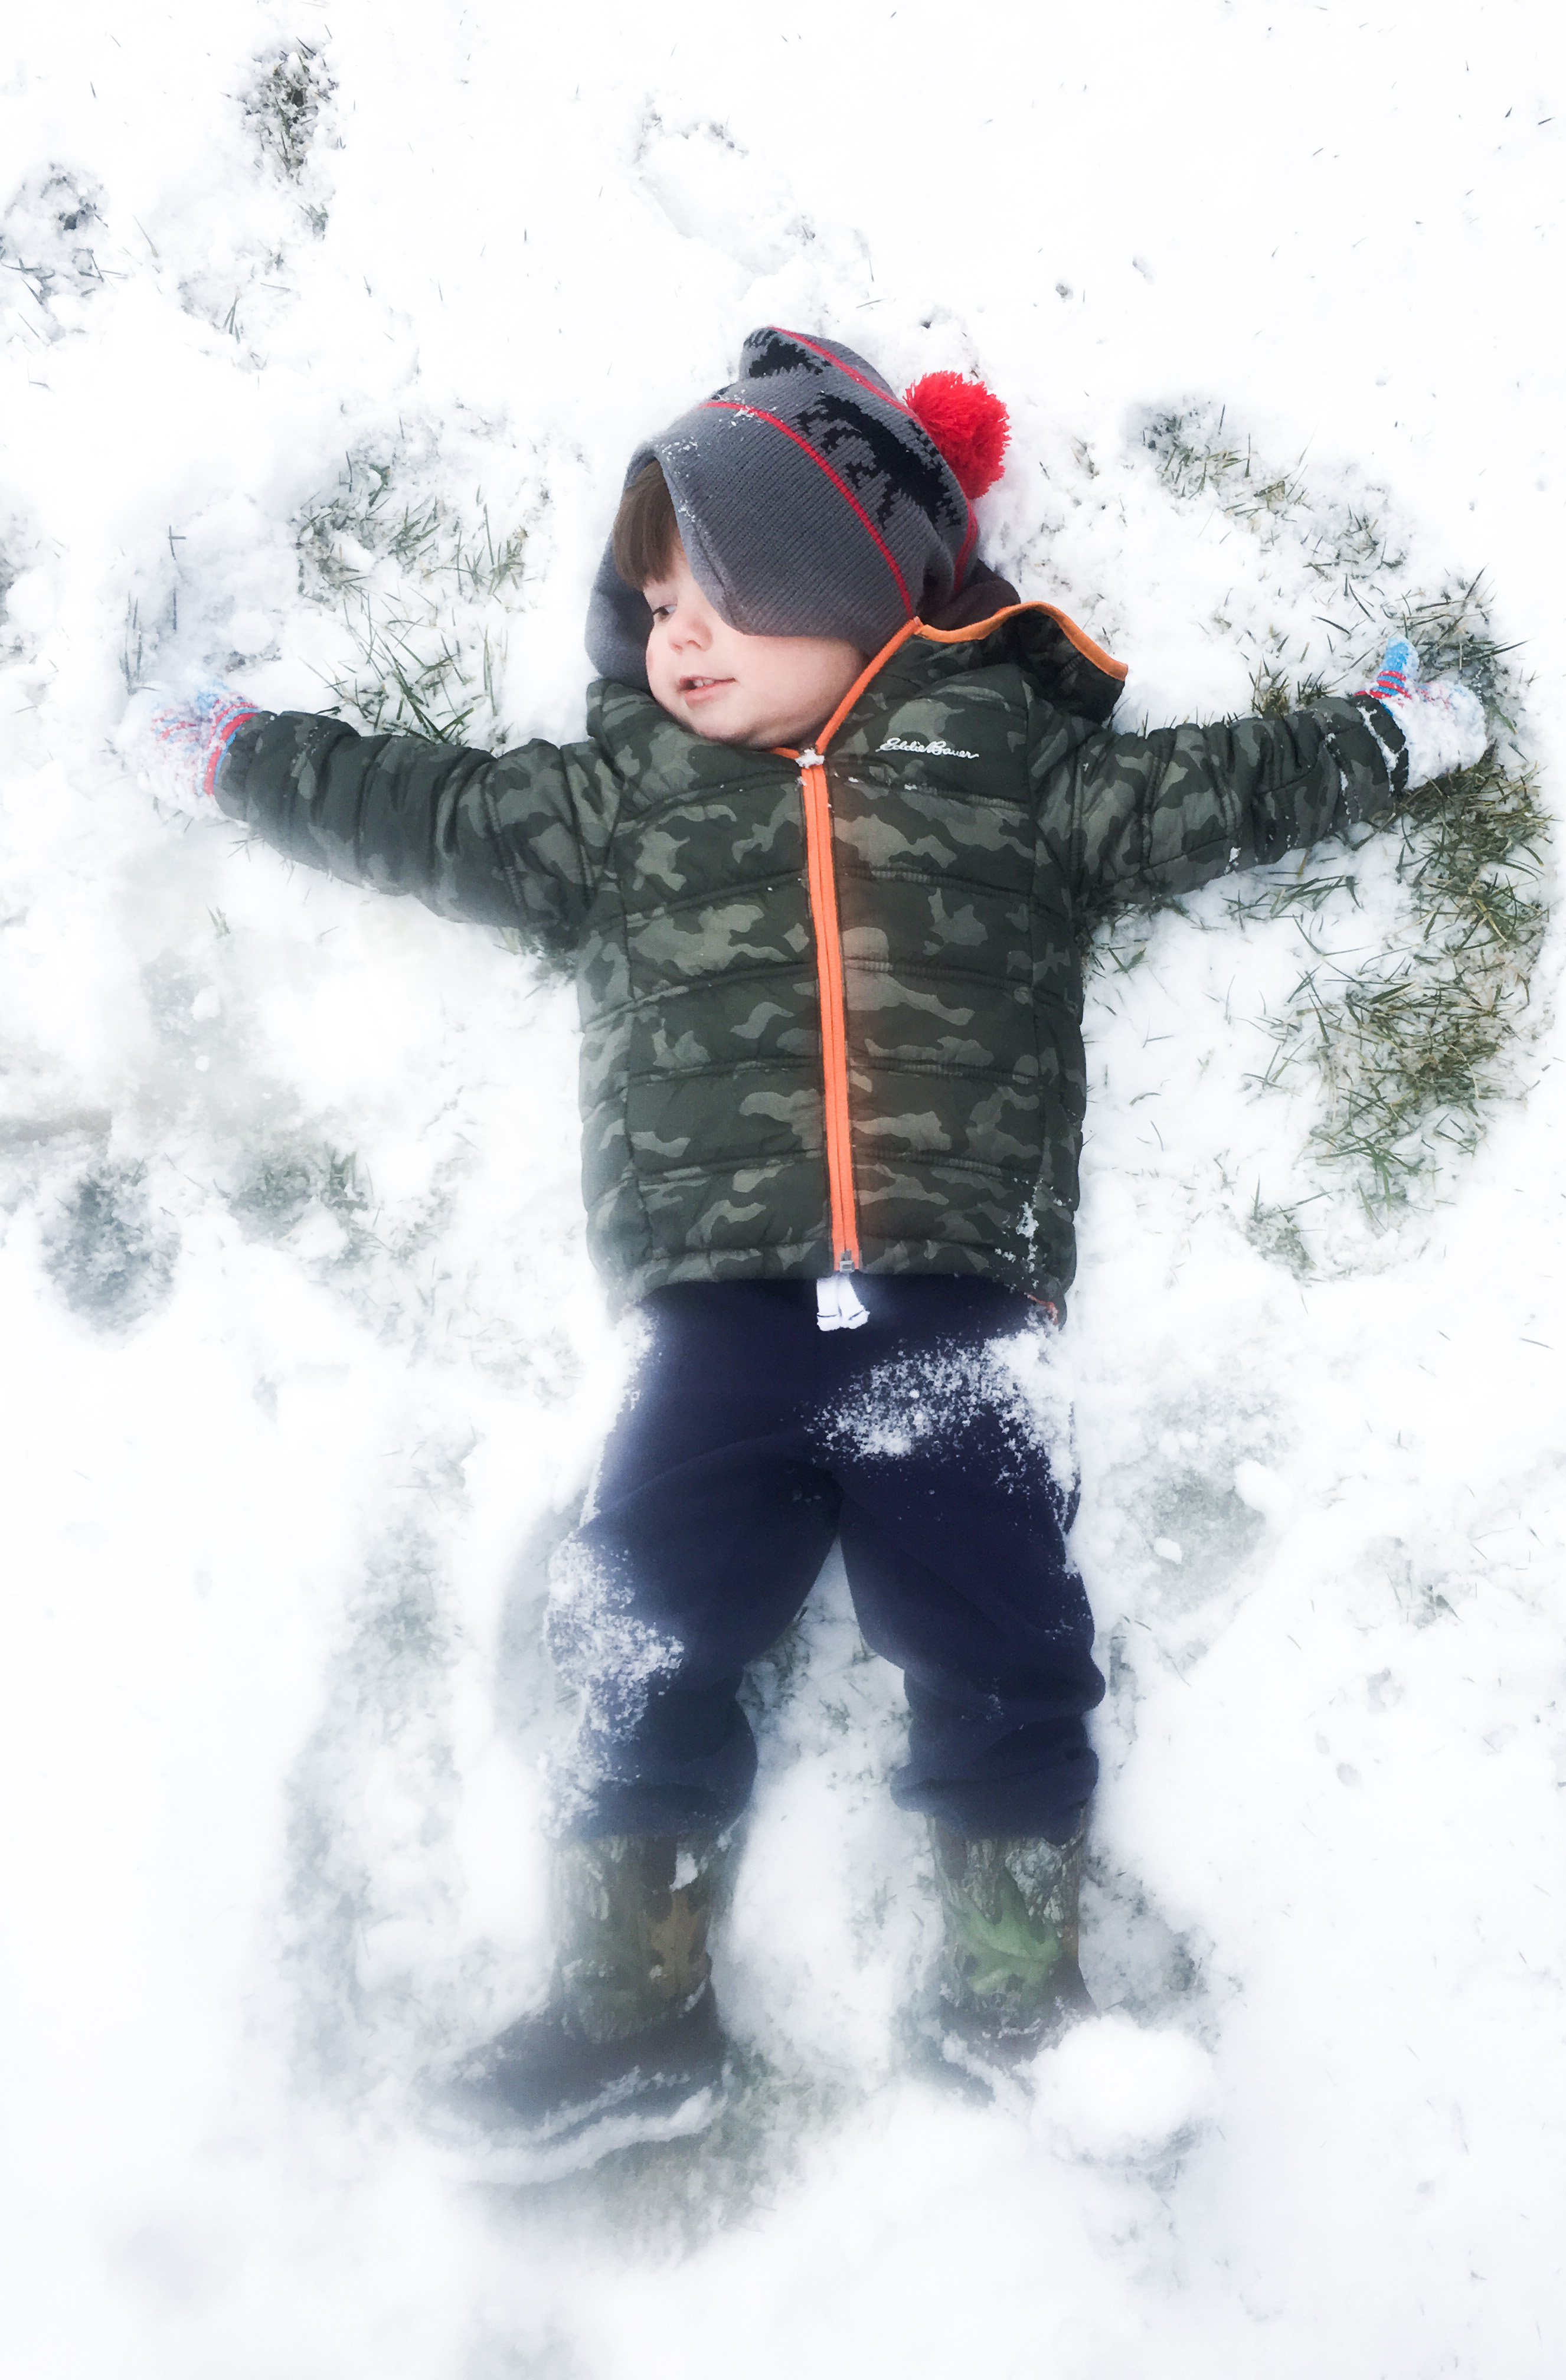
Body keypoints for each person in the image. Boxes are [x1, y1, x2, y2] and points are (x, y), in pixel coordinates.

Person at [133, 327, 1486, 2174]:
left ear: (857, 598)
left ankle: (1018, 1992)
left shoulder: (1003, 762)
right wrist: (235, 758)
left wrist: (1390, 735)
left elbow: (1212, 796)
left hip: (953, 1317)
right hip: (723, 1326)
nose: (677, 639)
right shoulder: (621, 800)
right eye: (658, 602)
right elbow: (418, 805)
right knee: (643, 1638)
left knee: (1010, 1648)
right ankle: (634, 2017)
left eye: (728, 598)